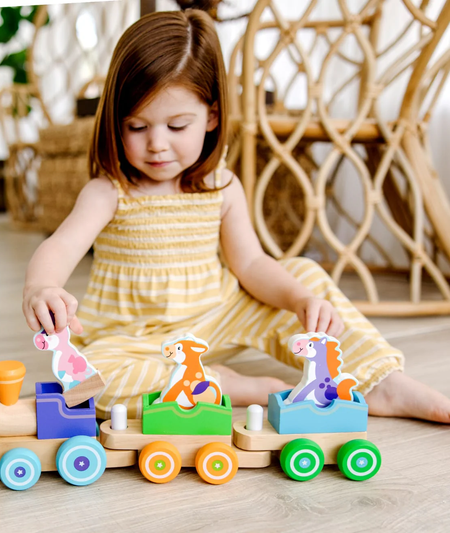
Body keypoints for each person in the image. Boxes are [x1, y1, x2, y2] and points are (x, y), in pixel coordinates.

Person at [22, 9, 450, 424]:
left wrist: (299, 300)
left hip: (217, 315)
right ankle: (222, 384)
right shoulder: (108, 192)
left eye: (177, 126)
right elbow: (61, 246)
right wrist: (41, 286)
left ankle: (382, 382)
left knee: (305, 278)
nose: (157, 144)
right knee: (89, 385)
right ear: (116, 121)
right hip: (131, 338)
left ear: (211, 116)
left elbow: (250, 264)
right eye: (137, 127)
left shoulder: (221, 186)